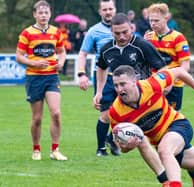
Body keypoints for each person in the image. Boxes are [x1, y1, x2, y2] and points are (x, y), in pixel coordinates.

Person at [94, 13, 167, 184]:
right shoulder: (106, 49)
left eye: (125, 32)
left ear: (131, 27)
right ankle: (106, 145)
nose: (121, 36)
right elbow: (101, 68)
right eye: (117, 33)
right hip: (122, 97)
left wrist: (161, 88)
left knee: (166, 143)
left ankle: (192, 173)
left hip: (147, 98)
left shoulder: (142, 46)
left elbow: (162, 68)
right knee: (120, 127)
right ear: (111, 31)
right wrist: (99, 91)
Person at [145, 3, 194, 186]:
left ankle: (179, 178)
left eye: (156, 20)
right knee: (162, 138)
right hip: (154, 89)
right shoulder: (149, 37)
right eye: (150, 20)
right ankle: (190, 173)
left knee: (169, 135)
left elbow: (185, 67)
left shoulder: (178, 38)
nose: (153, 24)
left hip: (173, 90)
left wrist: (168, 82)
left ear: (166, 18)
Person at [16, 0, 67, 161]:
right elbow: (18, 56)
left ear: (50, 14)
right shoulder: (27, 33)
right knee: (37, 118)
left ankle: (55, 150)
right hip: (34, 78)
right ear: (35, 14)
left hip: (52, 77)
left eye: (46, 12)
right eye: (40, 12)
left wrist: (61, 62)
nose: (43, 15)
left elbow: (61, 51)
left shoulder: (56, 32)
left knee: (56, 113)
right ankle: (36, 149)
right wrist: (34, 63)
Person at [77, 0, 119, 157]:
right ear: (100, 12)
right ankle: (101, 148)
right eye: (105, 9)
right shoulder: (94, 31)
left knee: (127, 112)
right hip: (104, 77)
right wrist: (81, 74)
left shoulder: (124, 28)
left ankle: (112, 139)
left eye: (110, 9)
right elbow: (83, 53)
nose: (108, 12)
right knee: (107, 114)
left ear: (115, 10)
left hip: (124, 76)